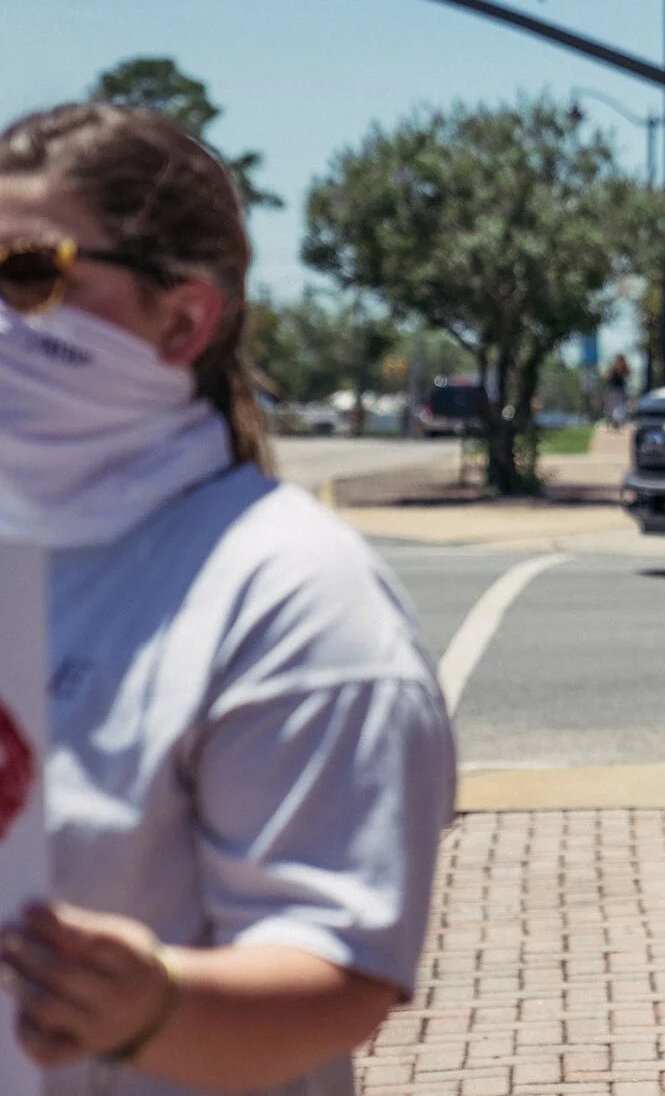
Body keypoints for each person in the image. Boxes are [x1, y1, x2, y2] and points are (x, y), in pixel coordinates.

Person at [0, 104, 457, 1096]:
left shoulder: (293, 593)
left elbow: (339, 974)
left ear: (184, 318)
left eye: (28, 275)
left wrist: (149, 1005)